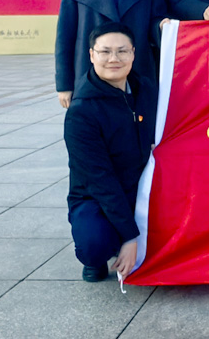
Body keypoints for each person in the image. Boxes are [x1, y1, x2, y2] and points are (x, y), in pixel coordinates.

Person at [64, 22, 154, 282]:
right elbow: (100, 180)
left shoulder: (146, 89)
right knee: (95, 243)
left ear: (133, 54)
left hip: (142, 187)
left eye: (122, 51)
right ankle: (98, 255)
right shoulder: (81, 112)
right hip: (96, 195)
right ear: (92, 55)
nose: (114, 59)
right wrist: (130, 236)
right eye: (105, 52)